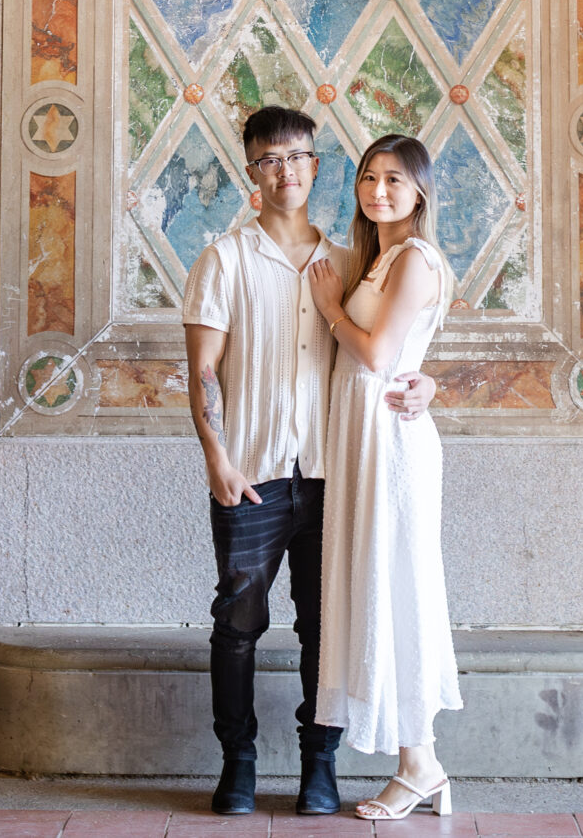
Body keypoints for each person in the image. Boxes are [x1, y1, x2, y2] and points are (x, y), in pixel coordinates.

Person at [183, 107, 437, 816]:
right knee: (238, 620)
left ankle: (318, 766)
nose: (285, 170)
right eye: (270, 159)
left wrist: (429, 383)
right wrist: (218, 458)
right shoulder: (223, 259)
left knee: (327, 624)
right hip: (252, 475)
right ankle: (237, 763)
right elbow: (201, 370)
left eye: (298, 157)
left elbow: (388, 345)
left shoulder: (350, 263)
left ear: (316, 166)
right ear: (252, 171)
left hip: (335, 476)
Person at [307, 133, 461, 821]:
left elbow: (375, 354)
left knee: (399, 586)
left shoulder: (417, 259)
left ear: (420, 190)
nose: (378, 190)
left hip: (391, 441)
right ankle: (417, 761)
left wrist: (332, 309)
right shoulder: (377, 258)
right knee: (378, 584)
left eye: (395, 179)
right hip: (363, 436)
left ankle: (420, 762)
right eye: (369, 177)